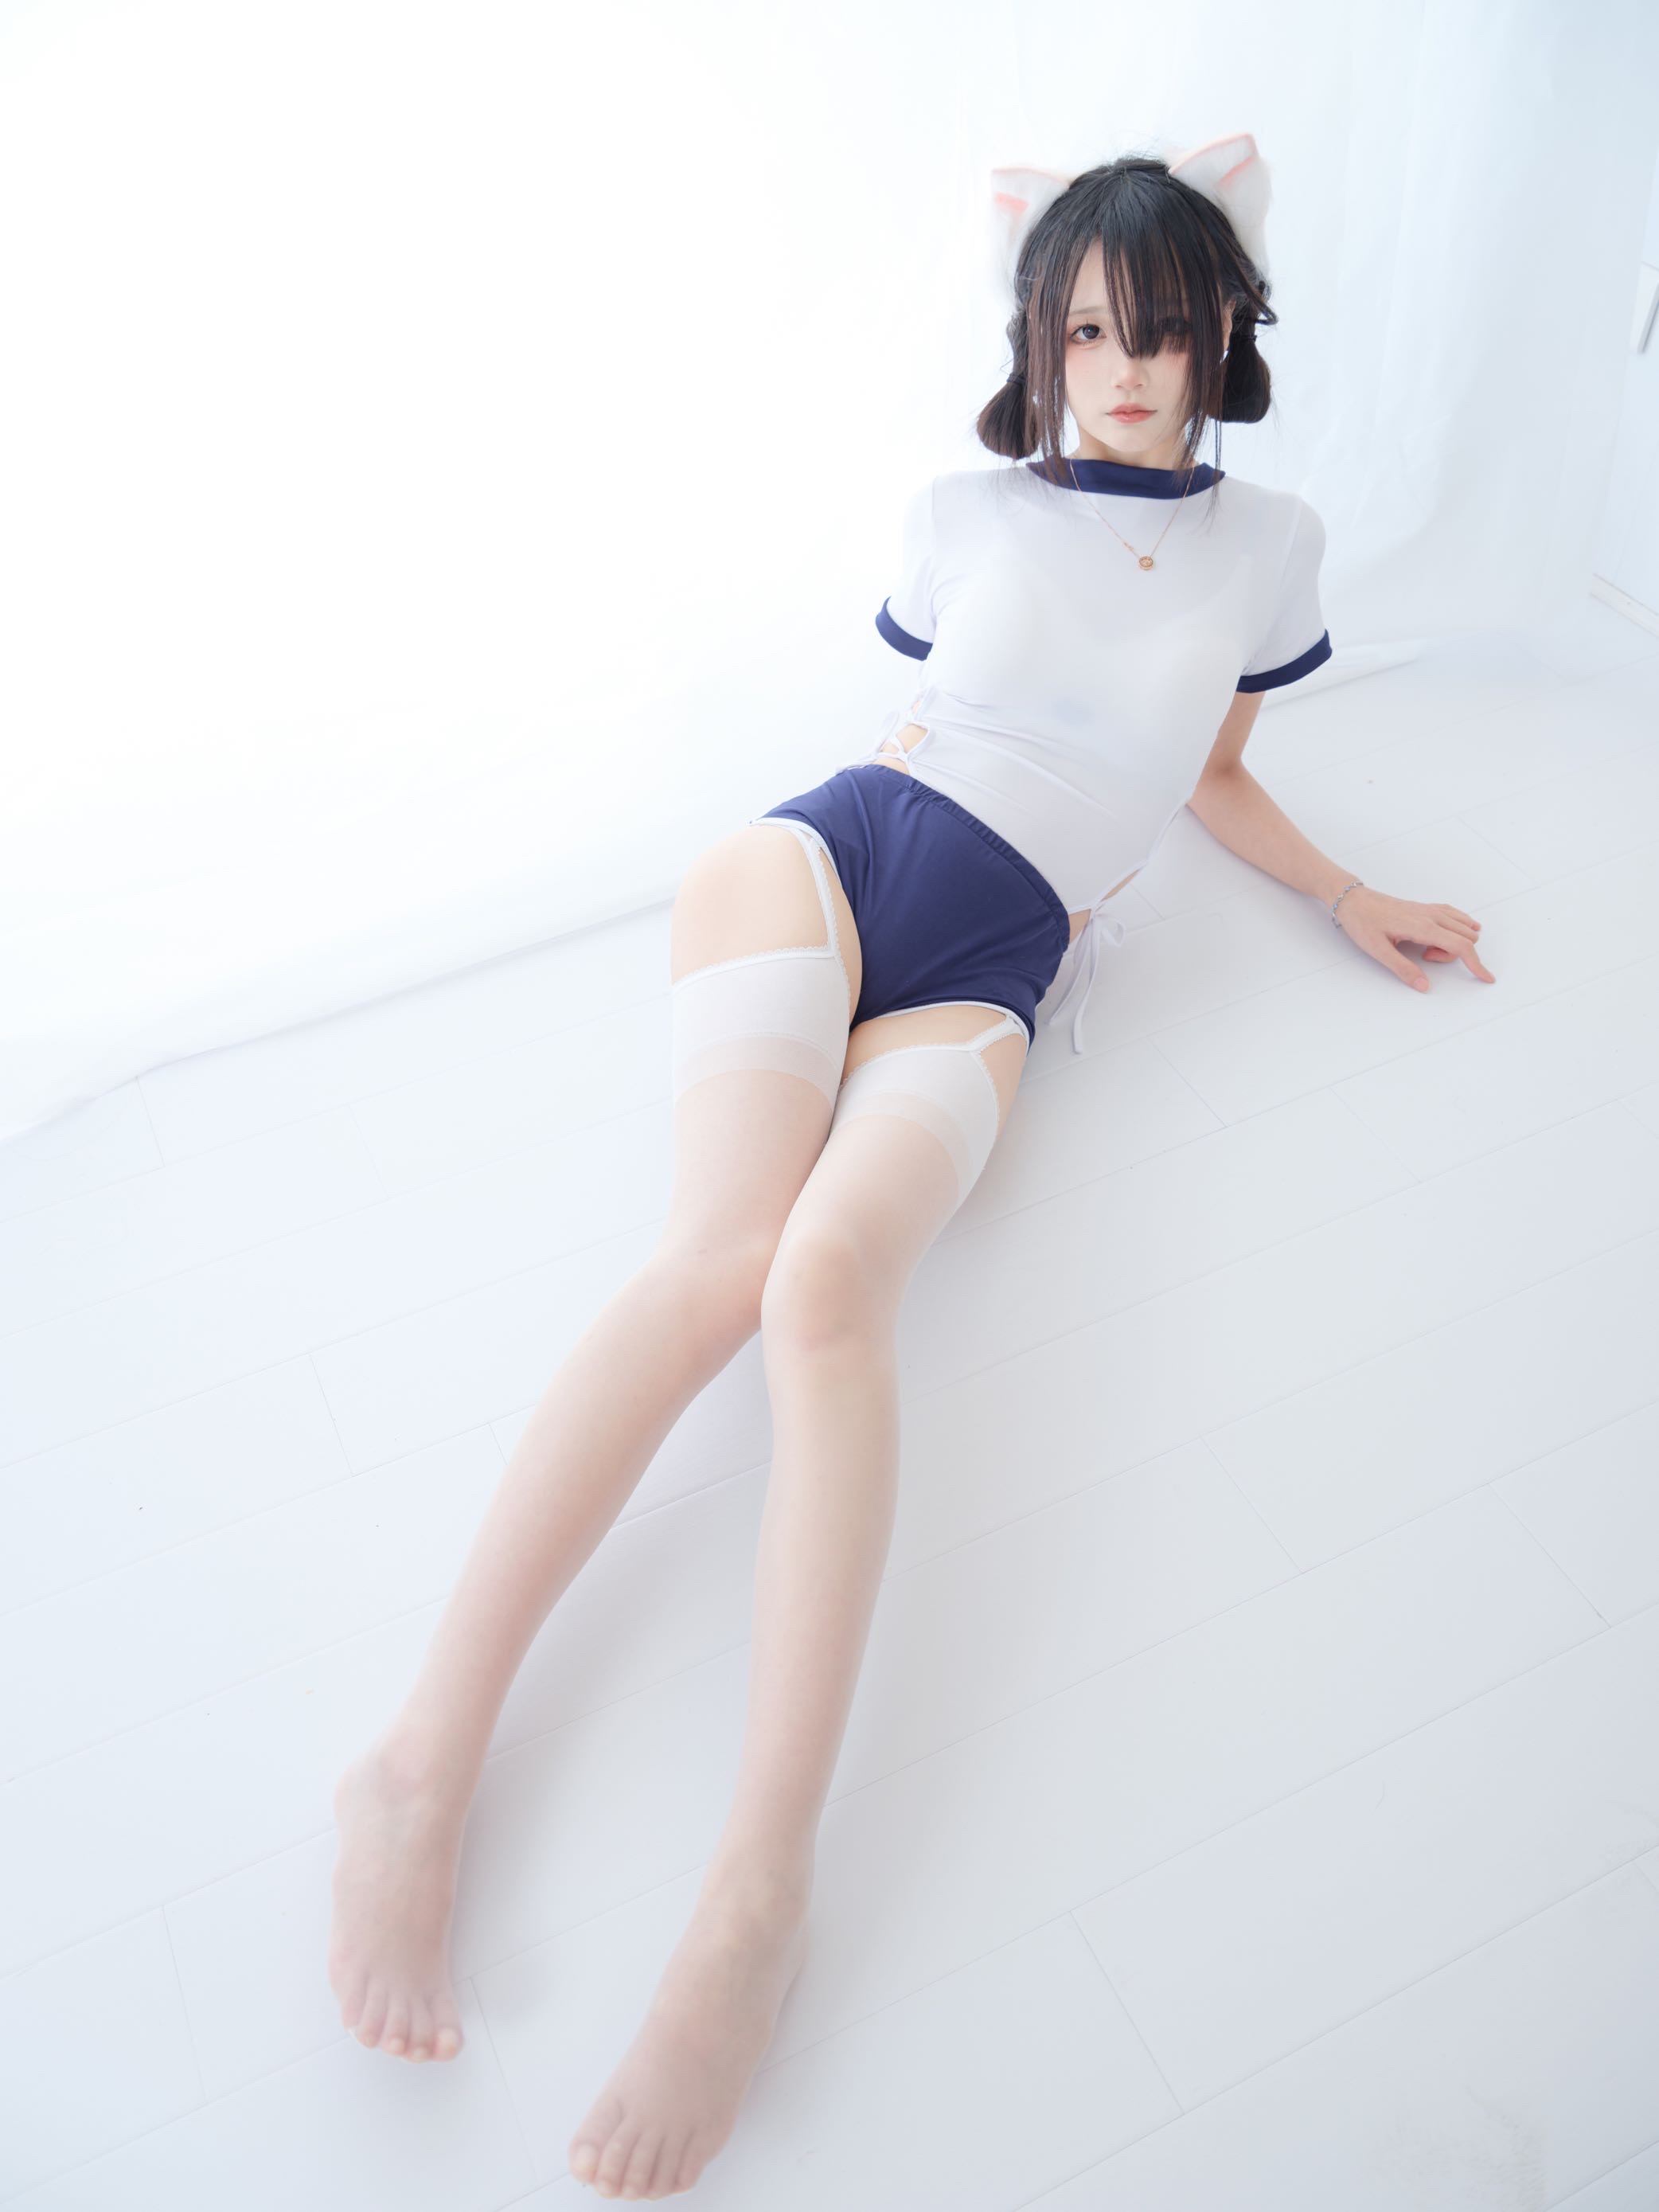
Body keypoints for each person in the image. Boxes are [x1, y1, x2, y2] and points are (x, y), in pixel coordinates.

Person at [326, 140, 1496, 2203]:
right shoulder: (963, 510)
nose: (1119, 368)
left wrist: (1343, 889)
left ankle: (753, 1897)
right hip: (830, 859)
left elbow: (1207, 766)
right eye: (1081, 328)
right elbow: (949, 712)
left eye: (1157, 329)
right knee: (719, 1263)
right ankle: (417, 1766)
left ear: (1222, 332)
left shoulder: (1274, 544)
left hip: (998, 964)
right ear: (1035, 337)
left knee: (826, 1292)